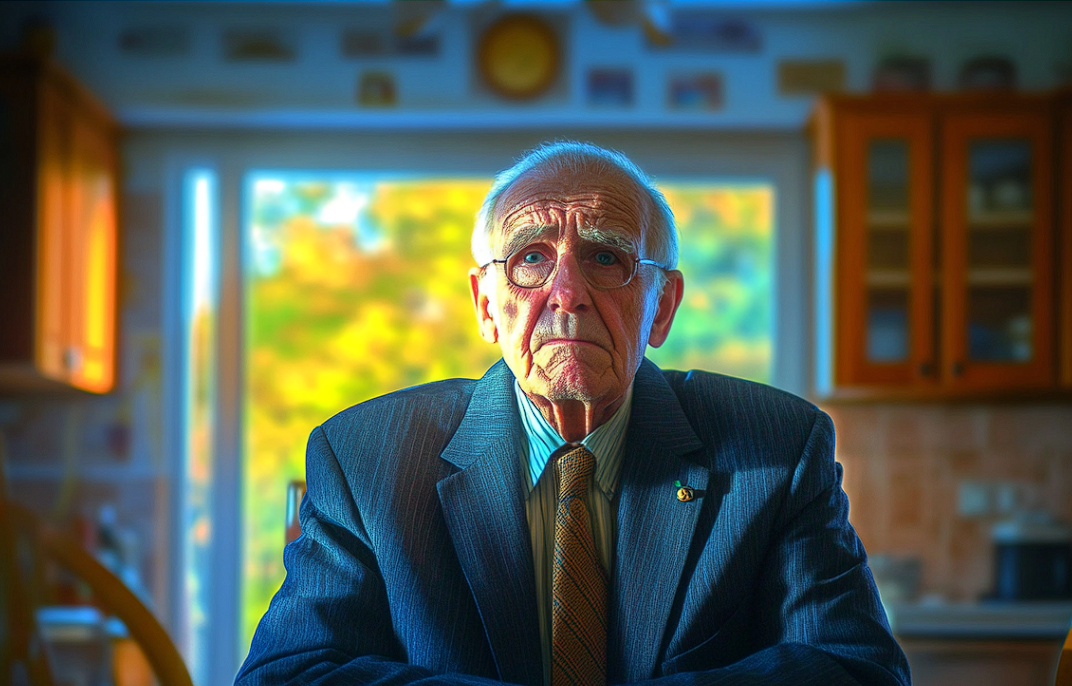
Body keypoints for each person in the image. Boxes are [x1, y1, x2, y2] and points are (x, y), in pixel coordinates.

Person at [236, 142, 911, 686]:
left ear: (663, 307)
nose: (567, 293)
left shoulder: (776, 448)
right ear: (483, 304)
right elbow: (290, 673)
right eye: (531, 258)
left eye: (605, 257)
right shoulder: (363, 457)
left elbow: (857, 668)